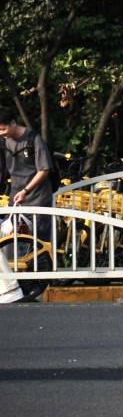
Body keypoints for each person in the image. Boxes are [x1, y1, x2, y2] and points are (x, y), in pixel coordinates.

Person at [0, 108, 56, 303]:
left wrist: (26, 190)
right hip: (16, 196)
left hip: (37, 196)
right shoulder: (4, 142)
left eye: (3, 129)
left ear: (13, 123)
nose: (2, 133)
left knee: (38, 241)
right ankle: (14, 285)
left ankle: (36, 284)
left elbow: (44, 169)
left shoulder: (34, 139)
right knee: (10, 237)